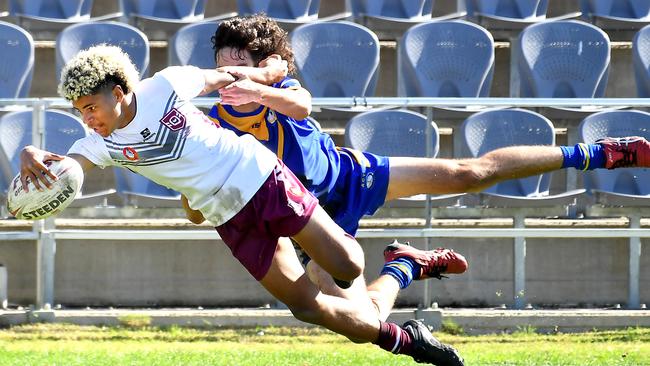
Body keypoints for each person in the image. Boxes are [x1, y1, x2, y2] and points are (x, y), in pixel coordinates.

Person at [19, 45, 465, 366]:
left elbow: (225, 78)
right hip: (226, 215)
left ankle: (397, 270)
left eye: (90, 106)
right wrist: (32, 154)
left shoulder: (164, 86)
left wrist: (270, 74)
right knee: (307, 307)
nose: (87, 118)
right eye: (79, 111)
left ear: (119, 92)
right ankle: (409, 342)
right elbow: (69, 164)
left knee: (347, 267)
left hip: (257, 175)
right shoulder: (96, 142)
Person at [205, 13, 650, 308]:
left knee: (470, 173)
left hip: (352, 175)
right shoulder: (216, 124)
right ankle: (405, 266)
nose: (228, 75)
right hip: (315, 221)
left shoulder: (282, 91)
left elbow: (300, 106)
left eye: (238, 64)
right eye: (222, 65)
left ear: (263, 65)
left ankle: (601, 152)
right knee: (364, 322)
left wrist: (258, 86)